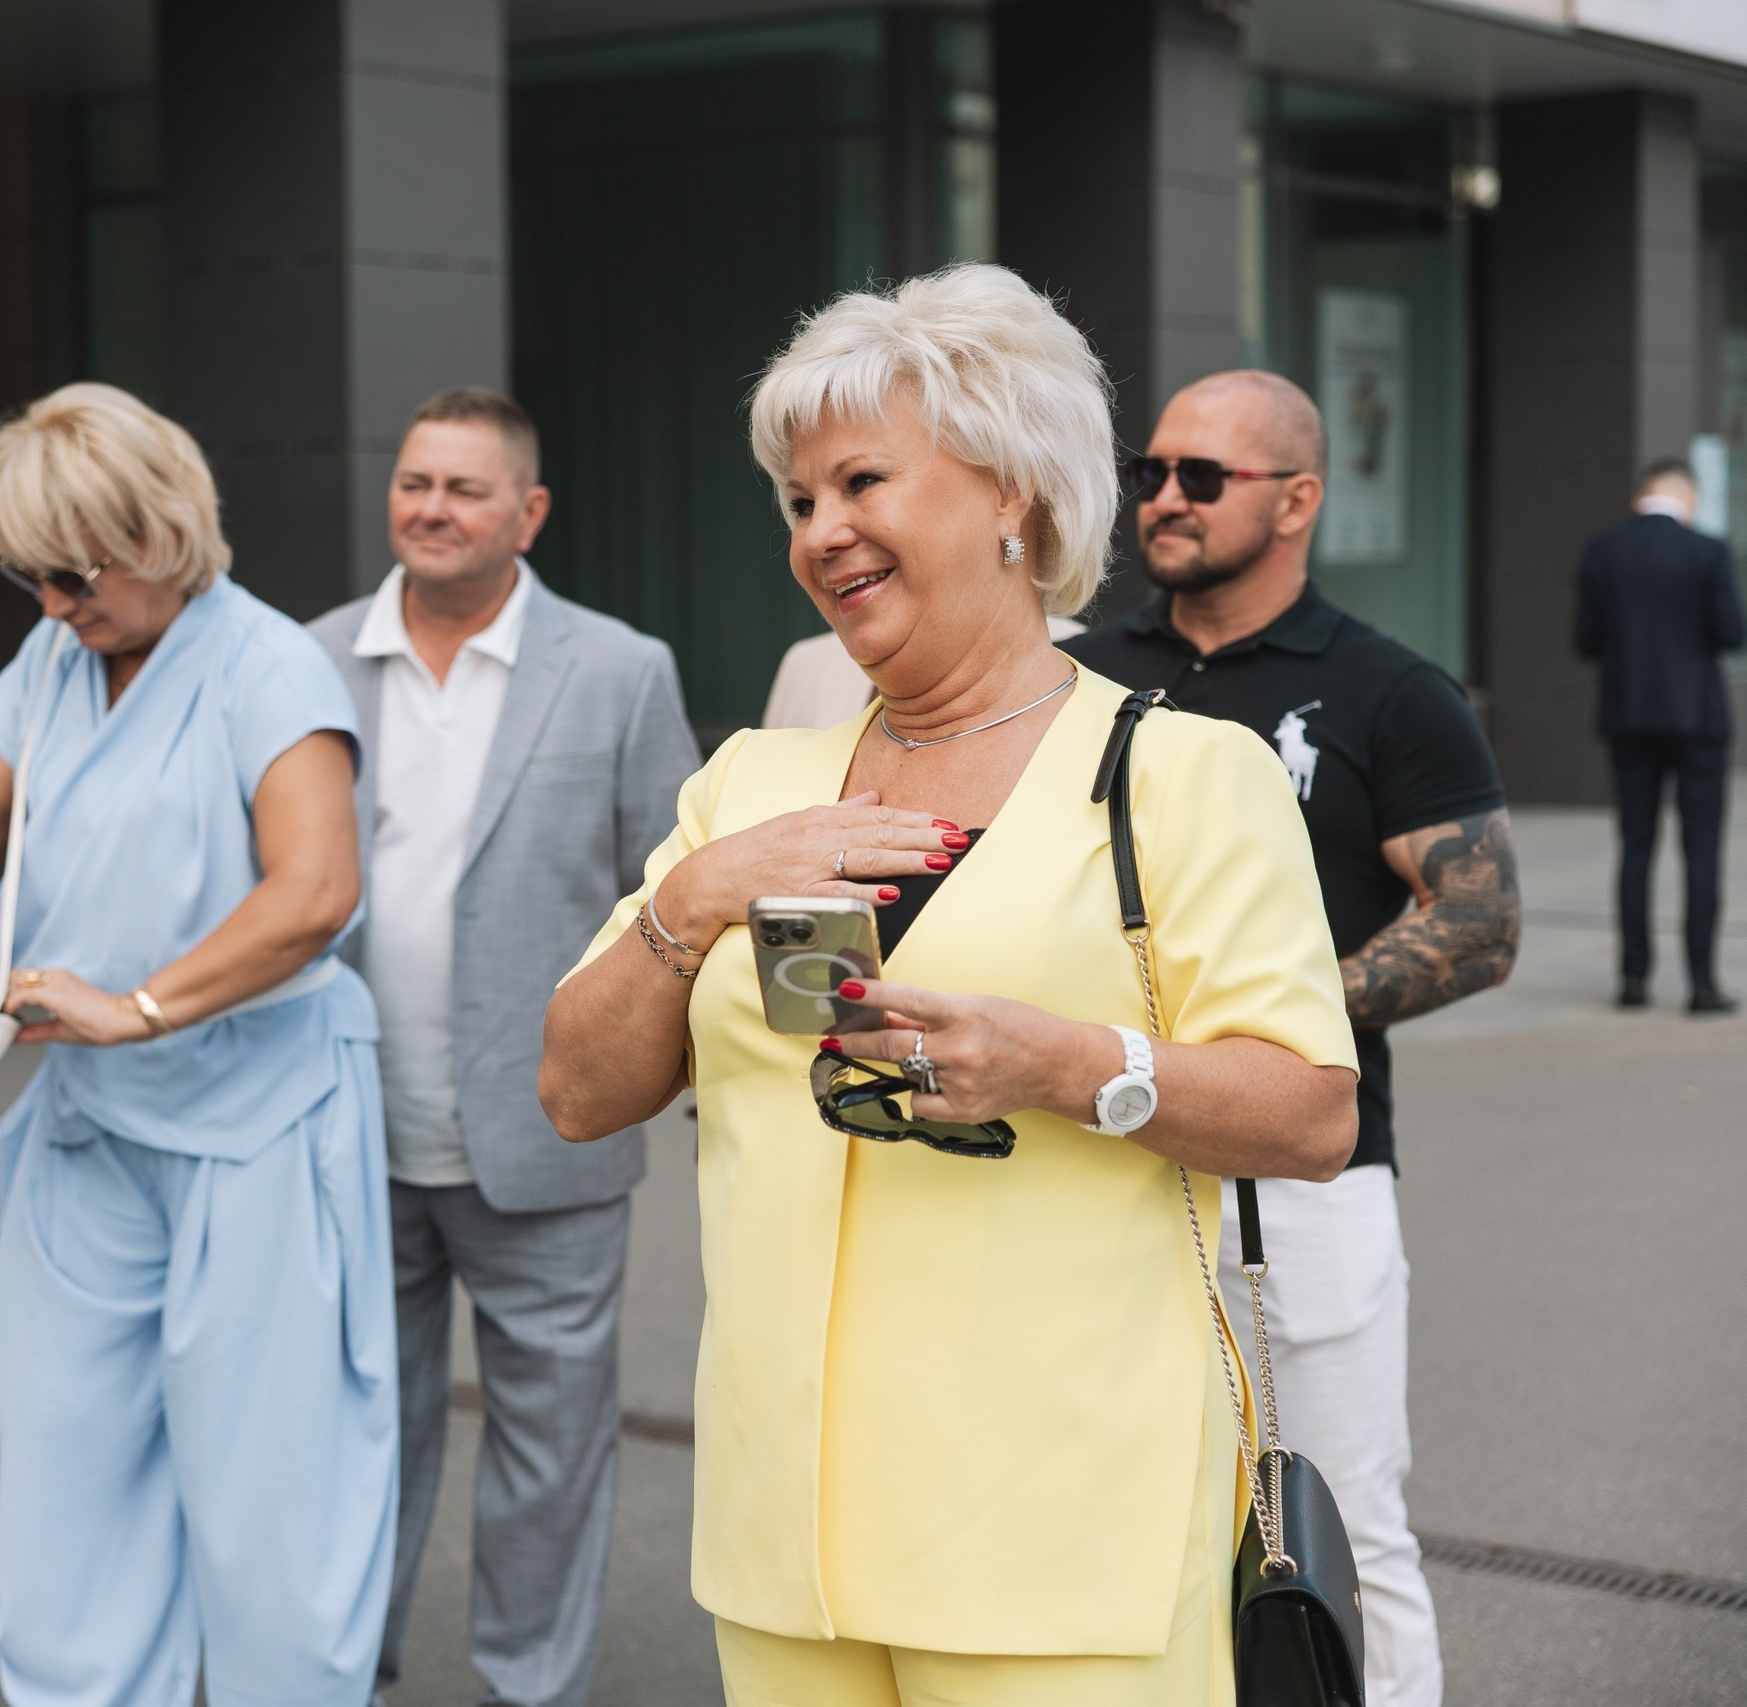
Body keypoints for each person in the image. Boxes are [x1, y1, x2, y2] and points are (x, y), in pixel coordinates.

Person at [541, 266, 1359, 1707]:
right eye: (799, 499)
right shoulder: (752, 780)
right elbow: (577, 1089)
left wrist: (1067, 1063)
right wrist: (690, 897)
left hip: (1062, 1534)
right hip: (787, 1536)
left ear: (1012, 496)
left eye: (861, 479)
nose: (821, 530)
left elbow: (1309, 1115)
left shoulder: (1176, 773)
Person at [0, 383, 396, 1707]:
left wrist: (138, 1002)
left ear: (159, 531)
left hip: (257, 1118)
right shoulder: (51, 662)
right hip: (91, 1126)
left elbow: (317, 889)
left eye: (72, 572)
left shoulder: (268, 662)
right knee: (67, 1480)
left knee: (272, 1503)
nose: (50, 603)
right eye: (25, 574)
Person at [1063, 368, 1521, 1707]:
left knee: (1335, 1521)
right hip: (1101, 1154)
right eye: (1152, 470)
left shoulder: (1388, 689)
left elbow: (1480, 920)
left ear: (1298, 497)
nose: (1163, 497)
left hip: (1305, 1171)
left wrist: (1274, 1028)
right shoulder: (1081, 675)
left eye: (1202, 477)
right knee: (1132, 1515)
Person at [308, 387, 698, 1707]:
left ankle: (530, 1686)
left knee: (548, 1452)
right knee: (355, 1437)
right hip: (344, 1131)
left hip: (550, 1135)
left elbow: (672, 897)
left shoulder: (619, 667)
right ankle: (336, 1672)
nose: (431, 506)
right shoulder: (307, 660)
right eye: (416, 481)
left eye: (465, 488)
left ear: (526, 513)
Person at [1572, 457, 1746, 1014]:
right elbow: (1732, 633)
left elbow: (1585, 640)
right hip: (1698, 719)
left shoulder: (1604, 550)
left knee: (1636, 846)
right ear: (1686, 497)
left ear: (1642, 495)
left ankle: (1633, 979)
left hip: (1629, 716)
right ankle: (1701, 981)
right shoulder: (1708, 551)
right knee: (1700, 851)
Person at [763, 612, 1088, 728]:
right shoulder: (807, 666)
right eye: (804, 506)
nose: (820, 537)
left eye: (866, 482)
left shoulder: (1070, 655)